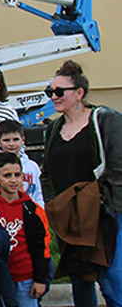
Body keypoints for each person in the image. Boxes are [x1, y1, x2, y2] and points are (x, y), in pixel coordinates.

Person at [42, 60, 122, 306]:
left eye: (59, 92)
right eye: (50, 92)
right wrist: (54, 206)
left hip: (104, 212)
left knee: (112, 275)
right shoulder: (54, 127)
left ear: (79, 93)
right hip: (71, 215)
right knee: (80, 275)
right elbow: (48, 172)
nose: (53, 97)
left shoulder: (105, 119)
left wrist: (113, 209)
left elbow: (118, 168)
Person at [0, 153, 51, 307]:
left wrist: (41, 279)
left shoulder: (32, 210)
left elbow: (43, 247)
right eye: (7, 175)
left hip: (25, 278)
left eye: (17, 175)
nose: (14, 180)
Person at [0, 120, 45, 207]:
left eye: (15, 139)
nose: (11, 144)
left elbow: (38, 194)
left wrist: (40, 213)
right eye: (6, 140)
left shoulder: (32, 166)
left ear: (23, 140)